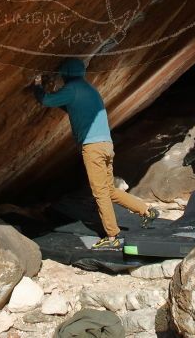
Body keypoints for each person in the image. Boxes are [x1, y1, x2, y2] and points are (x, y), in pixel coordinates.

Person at [33, 58, 158, 249]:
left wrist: (37, 86)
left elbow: (47, 100)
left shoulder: (72, 88)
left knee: (99, 193)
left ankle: (112, 235)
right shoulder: (88, 89)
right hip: (106, 144)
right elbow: (70, 107)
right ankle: (146, 211)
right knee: (109, 190)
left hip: (93, 148)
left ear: (66, 73)